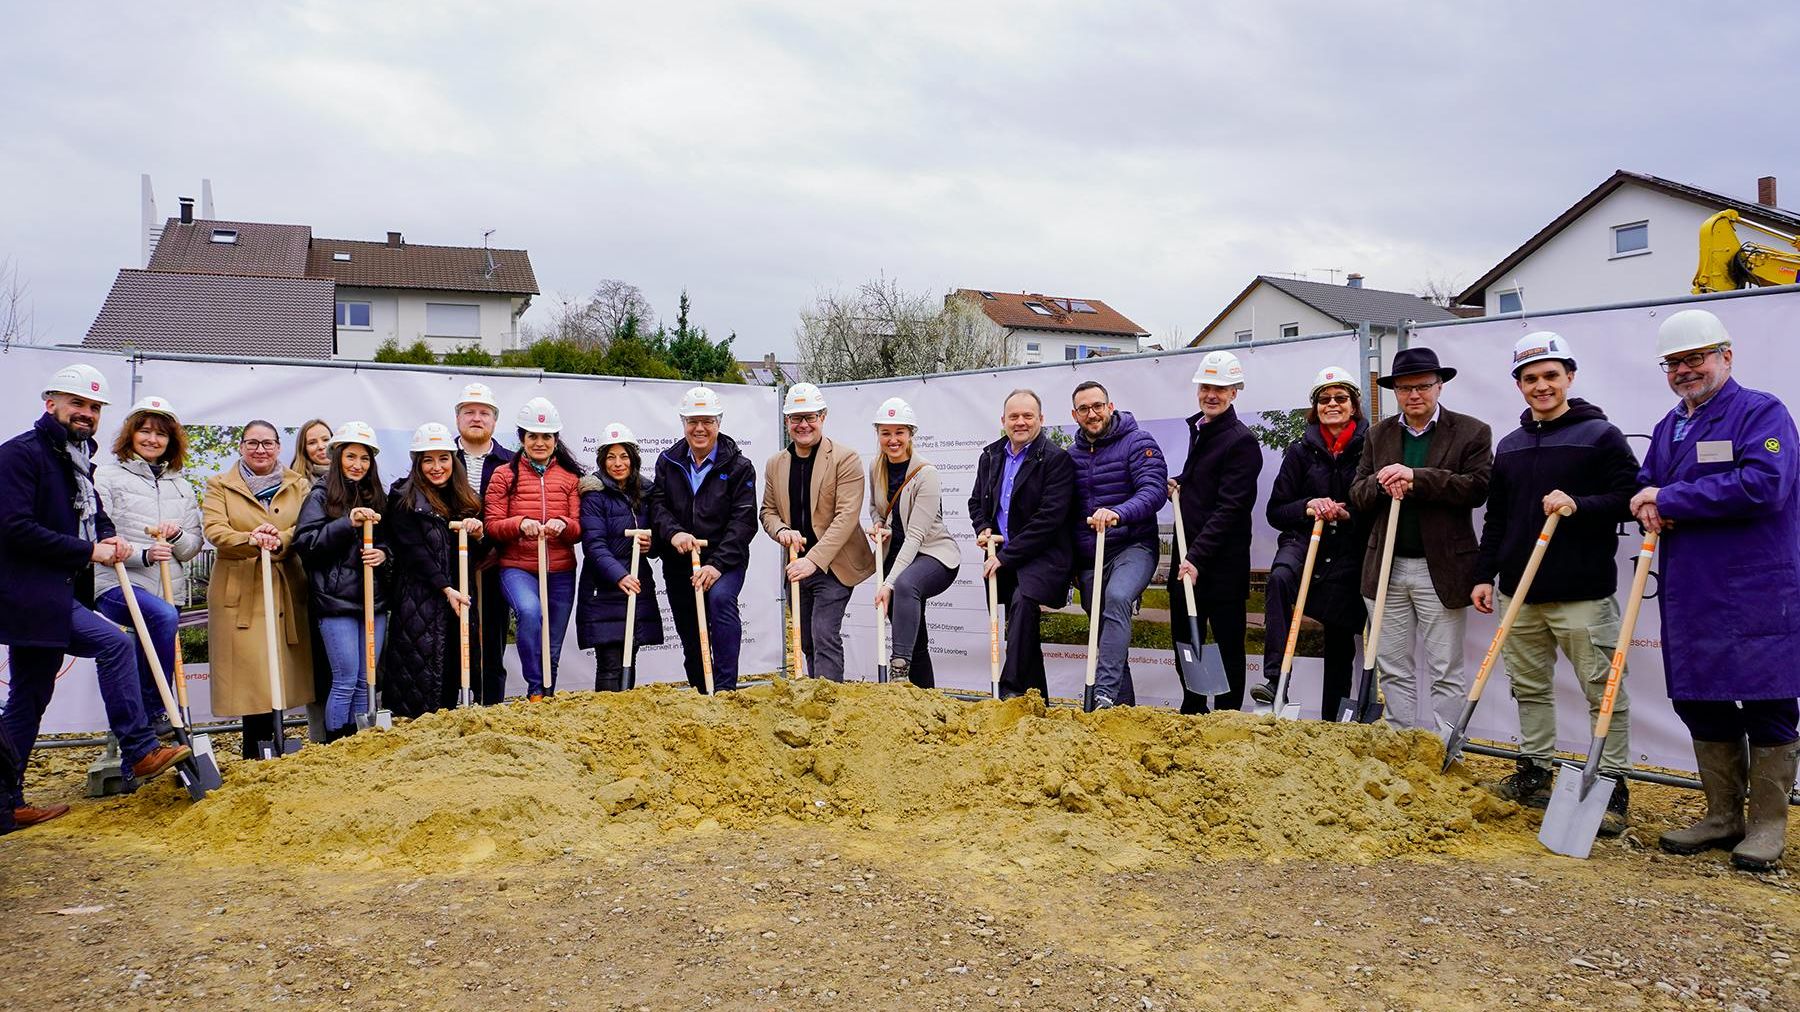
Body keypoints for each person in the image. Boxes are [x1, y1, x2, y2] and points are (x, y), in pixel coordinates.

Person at [1633, 309, 1800, 872]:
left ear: (1726, 356)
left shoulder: (1760, 412)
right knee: (1698, 701)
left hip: (1753, 588)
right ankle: (1722, 815)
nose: (1685, 370)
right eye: (1675, 362)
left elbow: (1764, 486)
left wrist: (1670, 499)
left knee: (1768, 704)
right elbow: (1648, 479)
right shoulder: (1671, 424)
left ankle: (1767, 825)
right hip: (1692, 591)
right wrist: (1646, 498)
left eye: (1695, 359)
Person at [0, 365, 191, 828]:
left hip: (57, 594)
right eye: (77, 404)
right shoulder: (21, 455)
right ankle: (141, 748)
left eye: (93, 407)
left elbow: (94, 514)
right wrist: (91, 550)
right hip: (31, 595)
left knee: (29, 698)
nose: (86, 413)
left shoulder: (77, 456)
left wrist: (110, 538)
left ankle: (6, 804)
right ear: (51, 404)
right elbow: (14, 528)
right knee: (116, 643)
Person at [1469, 334, 1640, 831]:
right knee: (1529, 687)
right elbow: (1496, 518)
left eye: (1550, 376)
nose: (1541, 386)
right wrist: (1485, 575)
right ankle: (1534, 769)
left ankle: (1611, 785)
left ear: (1569, 376)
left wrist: (1580, 505)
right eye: (1530, 378)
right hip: (1518, 591)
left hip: (1582, 592)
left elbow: (1631, 496)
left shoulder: (1601, 435)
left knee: (1603, 691)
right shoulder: (1512, 444)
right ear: (1519, 385)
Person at [1349, 347, 1492, 731]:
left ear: (1439, 385)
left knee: (1446, 668)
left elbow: (1476, 488)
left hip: (1441, 569)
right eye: (1405, 388)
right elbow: (1357, 494)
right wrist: (1382, 483)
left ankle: (1447, 748)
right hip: (1386, 568)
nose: (1415, 395)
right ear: (1395, 391)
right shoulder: (1378, 435)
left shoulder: (1471, 431)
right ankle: (1401, 743)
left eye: (1423, 386)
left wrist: (1416, 477)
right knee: (1393, 667)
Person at [1252, 366, 1367, 719]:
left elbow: (1376, 503)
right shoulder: (1301, 450)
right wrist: (1308, 505)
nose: (1332, 404)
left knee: (1339, 630)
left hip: (1348, 547)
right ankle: (1275, 679)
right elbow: (1276, 510)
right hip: (1305, 538)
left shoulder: (1371, 445)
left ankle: (1334, 717)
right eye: (1324, 399)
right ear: (1315, 407)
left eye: (1340, 398)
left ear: (1354, 404)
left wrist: (1349, 514)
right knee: (1281, 578)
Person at [203, 419, 316, 759]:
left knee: (279, 671)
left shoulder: (299, 485)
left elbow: (306, 526)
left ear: (279, 447)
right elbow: (214, 529)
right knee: (252, 675)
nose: (260, 450)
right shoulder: (219, 485)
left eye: (267, 443)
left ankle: (281, 742)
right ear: (240, 446)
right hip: (241, 588)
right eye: (252, 443)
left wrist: (279, 538)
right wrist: (250, 539)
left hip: (284, 586)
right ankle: (254, 750)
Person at [92, 395, 203, 733]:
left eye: (161, 434)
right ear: (130, 434)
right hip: (117, 583)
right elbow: (98, 535)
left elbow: (192, 548)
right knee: (160, 615)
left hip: (168, 588)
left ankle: (138, 746)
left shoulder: (181, 486)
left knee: (157, 626)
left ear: (171, 441)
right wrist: (143, 554)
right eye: (144, 431)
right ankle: (157, 711)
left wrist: (176, 535)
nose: (152, 440)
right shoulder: (106, 477)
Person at [1166, 351, 1263, 714]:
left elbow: (1230, 508)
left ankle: (1226, 715)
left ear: (1235, 392)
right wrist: (1183, 483)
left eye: (1221, 388)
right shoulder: (1202, 429)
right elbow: (1206, 482)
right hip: (1188, 556)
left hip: (1220, 563)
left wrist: (1196, 558)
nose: (1212, 394)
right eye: (1206, 386)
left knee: (1225, 644)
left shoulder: (1241, 441)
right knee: (1185, 638)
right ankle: (1193, 706)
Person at [761, 383, 875, 682]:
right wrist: (782, 530)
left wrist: (813, 560)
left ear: (822, 417)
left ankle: (829, 703)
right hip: (797, 565)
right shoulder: (776, 464)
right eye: (796, 418)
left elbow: (846, 517)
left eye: (810, 417)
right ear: (787, 422)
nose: (803, 425)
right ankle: (815, 693)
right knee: (806, 640)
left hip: (834, 564)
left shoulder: (844, 459)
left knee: (824, 633)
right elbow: (767, 512)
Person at [648, 386, 758, 693]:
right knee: (688, 624)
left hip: (724, 559)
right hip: (680, 559)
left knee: (720, 601)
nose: (700, 428)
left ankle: (725, 689)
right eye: (692, 421)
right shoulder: (668, 462)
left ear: (719, 423)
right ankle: (700, 689)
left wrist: (717, 565)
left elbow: (744, 520)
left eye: (707, 421)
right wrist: (674, 533)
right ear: (683, 423)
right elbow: (657, 505)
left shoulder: (738, 466)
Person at [969, 389, 1075, 700]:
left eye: (1028, 416)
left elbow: (1048, 520)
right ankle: (1036, 697)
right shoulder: (990, 456)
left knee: (1023, 603)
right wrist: (984, 527)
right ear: (1003, 421)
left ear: (1041, 419)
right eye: (1013, 416)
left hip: (1045, 556)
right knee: (1022, 628)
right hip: (1002, 554)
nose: (1020, 422)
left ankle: (1010, 692)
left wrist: (1007, 556)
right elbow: (976, 502)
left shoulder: (1057, 460)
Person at [1068, 381, 1167, 708]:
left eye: (1097, 406)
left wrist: (1118, 513)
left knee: (1118, 597)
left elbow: (1153, 492)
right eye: (1084, 409)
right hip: (1090, 555)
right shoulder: (1071, 455)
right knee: (1104, 627)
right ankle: (1120, 710)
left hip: (1133, 546)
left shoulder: (1138, 442)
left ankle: (1103, 694)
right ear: (1075, 415)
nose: (1092, 414)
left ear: (1110, 407)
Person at [383, 422, 489, 718]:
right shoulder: (403, 496)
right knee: (420, 675)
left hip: (460, 597)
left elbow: (477, 554)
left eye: (443, 459)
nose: (436, 467)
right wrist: (445, 588)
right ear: (417, 463)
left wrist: (478, 534)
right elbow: (413, 551)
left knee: (457, 669)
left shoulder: (465, 497)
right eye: (428, 460)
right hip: (420, 600)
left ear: (453, 461)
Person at [294, 422, 391, 739]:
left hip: (372, 601)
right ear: (337, 457)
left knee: (367, 679)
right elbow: (306, 544)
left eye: (364, 458)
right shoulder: (320, 496)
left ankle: (360, 742)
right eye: (351, 456)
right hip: (335, 603)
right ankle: (337, 744)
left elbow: (391, 541)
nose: (358, 465)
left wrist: (384, 555)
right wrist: (346, 523)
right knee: (346, 677)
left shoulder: (377, 496)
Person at [484, 397, 583, 700]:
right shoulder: (504, 475)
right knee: (529, 612)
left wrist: (564, 525)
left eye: (546, 437)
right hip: (517, 566)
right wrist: (519, 523)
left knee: (552, 640)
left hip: (560, 569)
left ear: (555, 440)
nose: (540, 442)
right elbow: (492, 524)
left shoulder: (570, 479)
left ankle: (546, 695)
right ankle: (534, 687)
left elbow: (579, 529)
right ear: (522, 439)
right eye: (533, 436)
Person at [868, 397, 960, 688]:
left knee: (906, 585)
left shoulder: (926, 474)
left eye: (899, 433)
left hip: (934, 555)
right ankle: (924, 701)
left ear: (911, 434)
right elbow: (875, 507)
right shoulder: (875, 466)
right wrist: (880, 524)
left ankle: (898, 671)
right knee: (916, 640)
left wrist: (889, 583)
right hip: (896, 556)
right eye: (886, 433)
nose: (892, 440)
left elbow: (917, 536)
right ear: (878, 435)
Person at [576, 423, 663, 689]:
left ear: (633, 458)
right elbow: (594, 544)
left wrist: (653, 545)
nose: (617, 463)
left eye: (623, 456)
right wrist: (619, 575)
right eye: (611, 457)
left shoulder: (645, 492)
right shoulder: (595, 494)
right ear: (602, 460)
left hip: (637, 582)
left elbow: (659, 532)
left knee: (629, 656)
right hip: (605, 587)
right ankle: (606, 718)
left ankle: (624, 715)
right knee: (611, 661)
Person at [453, 383, 516, 705]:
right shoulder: (441, 459)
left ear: (494, 420)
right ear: (458, 418)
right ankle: (454, 712)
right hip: (451, 570)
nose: (476, 418)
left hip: (494, 566)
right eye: (469, 412)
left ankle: (492, 709)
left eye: (484, 413)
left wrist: (491, 546)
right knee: (454, 644)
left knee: (492, 642)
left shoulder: (509, 462)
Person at [290, 416, 333, 738]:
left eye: (326, 440)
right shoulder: (294, 484)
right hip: (306, 585)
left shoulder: (351, 480)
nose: (321, 447)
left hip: (342, 586)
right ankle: (319, 733)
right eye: (313, 442)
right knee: (317, 664)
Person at [290, 418, 332, 488]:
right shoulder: (295, 483)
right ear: (303, 449)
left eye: (325, 440)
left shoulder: (351, 474)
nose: (321, 446)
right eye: (312, 443)